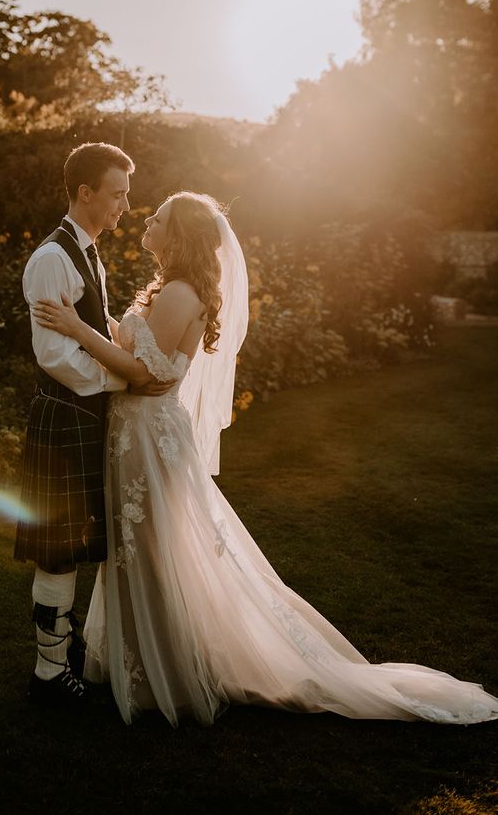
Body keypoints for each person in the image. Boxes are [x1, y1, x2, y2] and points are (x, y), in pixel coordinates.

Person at [33, 191, 498, 726]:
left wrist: (75, 328)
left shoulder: (182, 292)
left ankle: (168, 675)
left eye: (158, 218)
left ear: (179, 235)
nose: (147, 221)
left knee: (155, 558)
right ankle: (142, 662)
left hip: (147, 438)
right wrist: (103, 321)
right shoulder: (171, 290)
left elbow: (144, 374)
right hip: (136, 436)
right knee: (142, 555)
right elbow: (137, 347)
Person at [14, 141, 139, 707]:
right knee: (57, 547)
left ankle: (55, 662)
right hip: (64, 414)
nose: (124, 206)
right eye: (117, 194)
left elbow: (92, 327)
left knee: (72, 541)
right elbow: (55, 356)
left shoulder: (87, 252)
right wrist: (125, 379)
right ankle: (47, 672)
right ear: (85, 193)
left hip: (85, 414)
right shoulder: (51, 260)